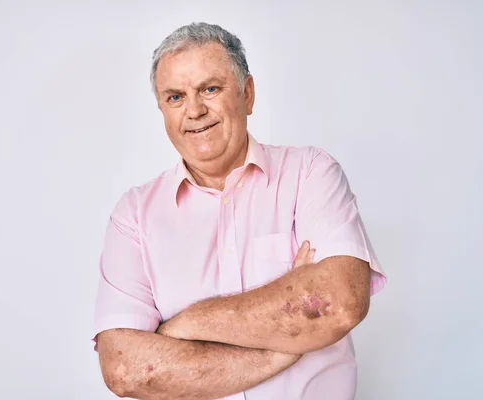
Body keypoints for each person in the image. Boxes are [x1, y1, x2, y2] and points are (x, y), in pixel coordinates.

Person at [92, 22, 387, 400]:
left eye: (210, 89)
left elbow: (338, 303)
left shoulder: (310, 173)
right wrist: (284, 347)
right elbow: (125, 368)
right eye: (175, 97)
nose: (195, 111)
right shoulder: (133, 215)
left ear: (247, 94)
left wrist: (184, 325)